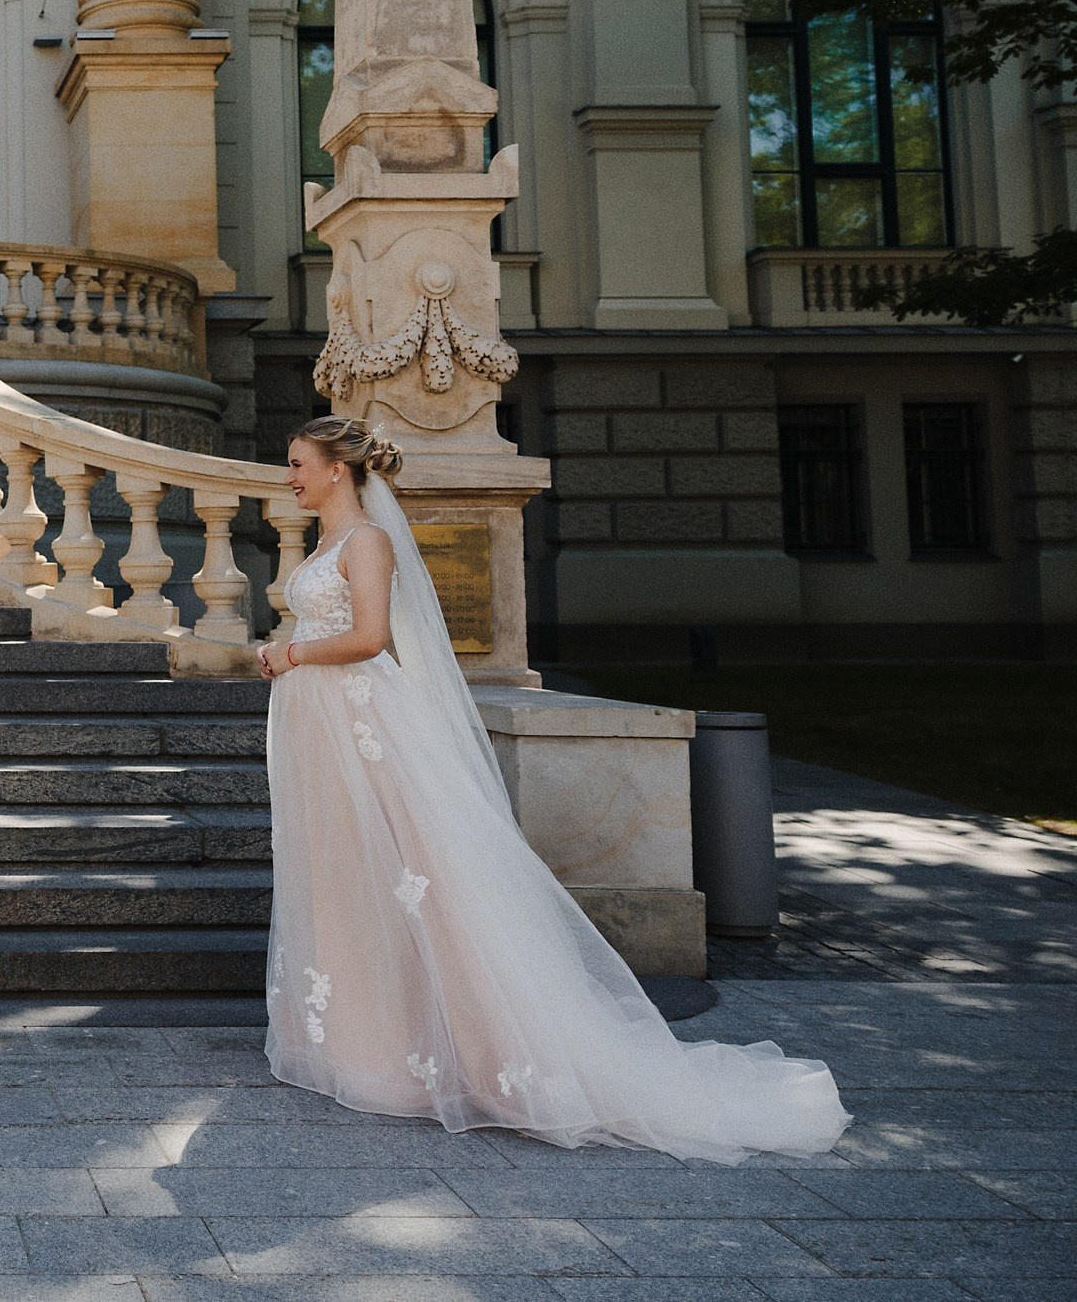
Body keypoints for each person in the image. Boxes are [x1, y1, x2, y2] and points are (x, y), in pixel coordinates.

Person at [255, 414, 850, 1163]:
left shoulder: (367, 542)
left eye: (299, 461)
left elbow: (371, 637)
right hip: (329, 728)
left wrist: (292, 651)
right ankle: (364, 1040)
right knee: (348, 878)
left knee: (412, 877)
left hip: (365, 726)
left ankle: (471, 1048)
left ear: (337, 468)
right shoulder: (328, 543)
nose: (291, 475)